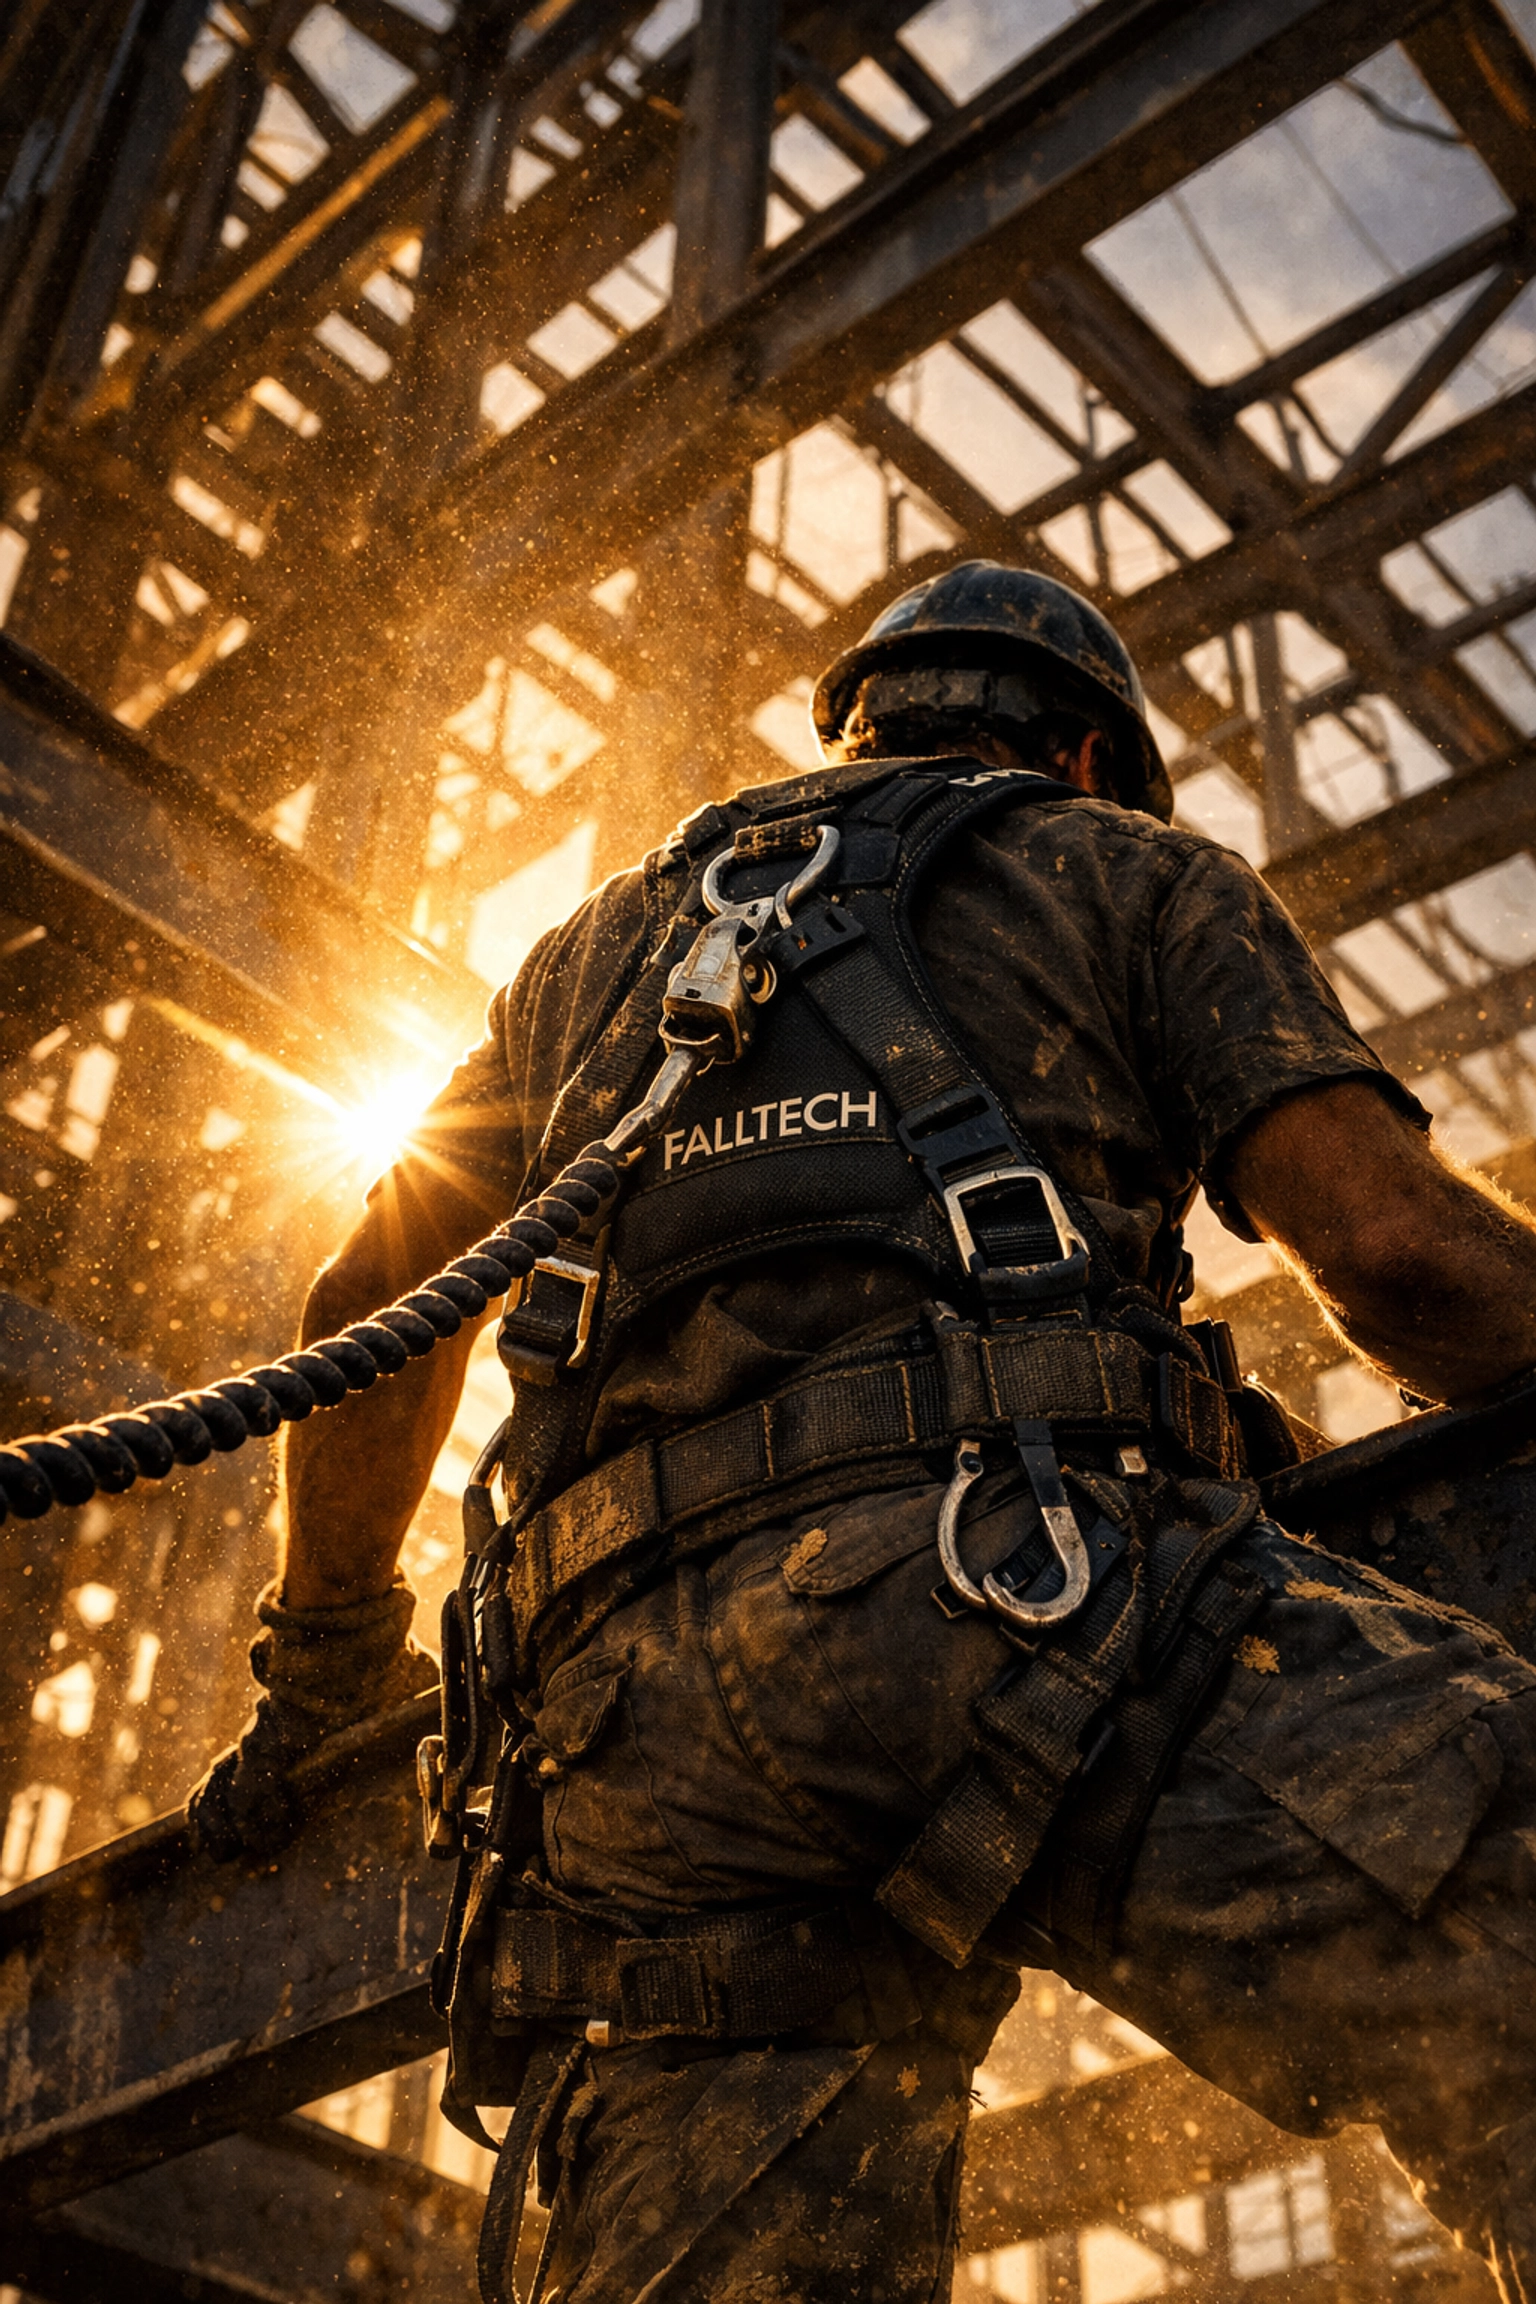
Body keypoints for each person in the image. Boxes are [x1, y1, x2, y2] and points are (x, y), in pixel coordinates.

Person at [191, 563, 1536, 2304]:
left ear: (859, 728)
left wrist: (318, 1679)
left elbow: (368, 1317)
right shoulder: (1121, 866)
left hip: (628, 1761)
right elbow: (1399, 1256)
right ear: (1087, 753)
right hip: (1023, 1600)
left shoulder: (590, 956)